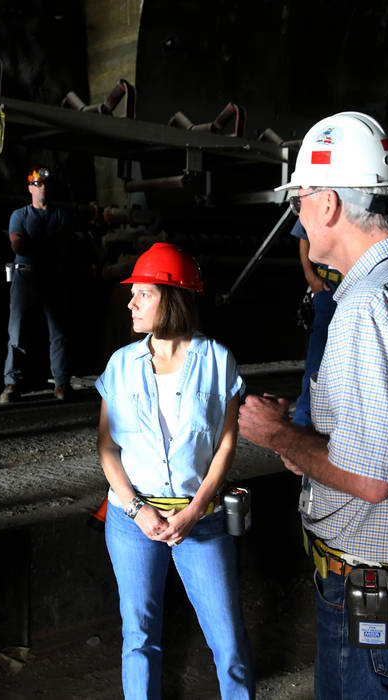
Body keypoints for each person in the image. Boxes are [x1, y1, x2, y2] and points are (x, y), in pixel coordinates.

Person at [238, 111, 388, 698]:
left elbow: (371, 478)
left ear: (327, 205)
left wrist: (278, 436)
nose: (297, 213)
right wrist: (316, 432)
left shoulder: (369, 305)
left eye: (300, 199)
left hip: (379, 594)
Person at [96, 242, 254, 699]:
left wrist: (196, 509)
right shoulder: (121, 366)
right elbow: (107, 448)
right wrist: (137, 509)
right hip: (133, 522)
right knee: (139, 639)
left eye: (142, 294)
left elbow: (226, 445)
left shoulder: (218, 362)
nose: (131, 303)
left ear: (172, 298)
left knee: (228, 642)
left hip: (199, 522)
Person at [1, 167, 72, 402]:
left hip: (51, 277)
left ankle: (62, 384)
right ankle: (12, 384)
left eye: (45, 184)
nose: (43, 188)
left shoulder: (60, 215)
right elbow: (17, 246)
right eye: (38, 184)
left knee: (58, 333)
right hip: (26, 277)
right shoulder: (19, 215)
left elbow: (62, 248)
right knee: (18, 331)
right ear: (30, 187)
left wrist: (37, 246)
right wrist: (47, 247)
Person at [290, 219, 342, 427]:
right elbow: (304, 234)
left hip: (358, 284)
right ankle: (304, 422)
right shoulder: (321, 194)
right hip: (329, 288)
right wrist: (310, 276)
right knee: (317, 358)